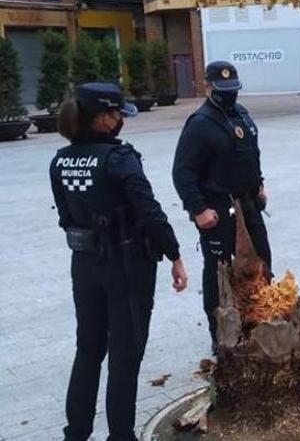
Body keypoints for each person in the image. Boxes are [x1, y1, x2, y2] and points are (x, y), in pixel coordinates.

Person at [50, 82, 188, 441]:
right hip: (125, 267)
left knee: (88, 349)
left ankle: (76, 432)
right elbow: (150, 212)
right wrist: (174, 253)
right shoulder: (119, 159)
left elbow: (65, 217)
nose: (120, 121)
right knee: (124, 357)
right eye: (117, 114)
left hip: (84, 264)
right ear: (103, 118)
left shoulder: (61, 160)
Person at [172, 61, 271, 349]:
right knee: (219, 272)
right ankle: (222, 337)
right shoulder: (200, 123)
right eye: (222, 89)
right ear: (208, 87)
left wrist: (260, 183)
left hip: (249, 203)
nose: (229, 95)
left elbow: (252, 153)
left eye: (234, 89)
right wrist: (198, 209)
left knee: (261, 261)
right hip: (217, 210)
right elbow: (182, 172)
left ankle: (260, 324)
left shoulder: (241, 114)